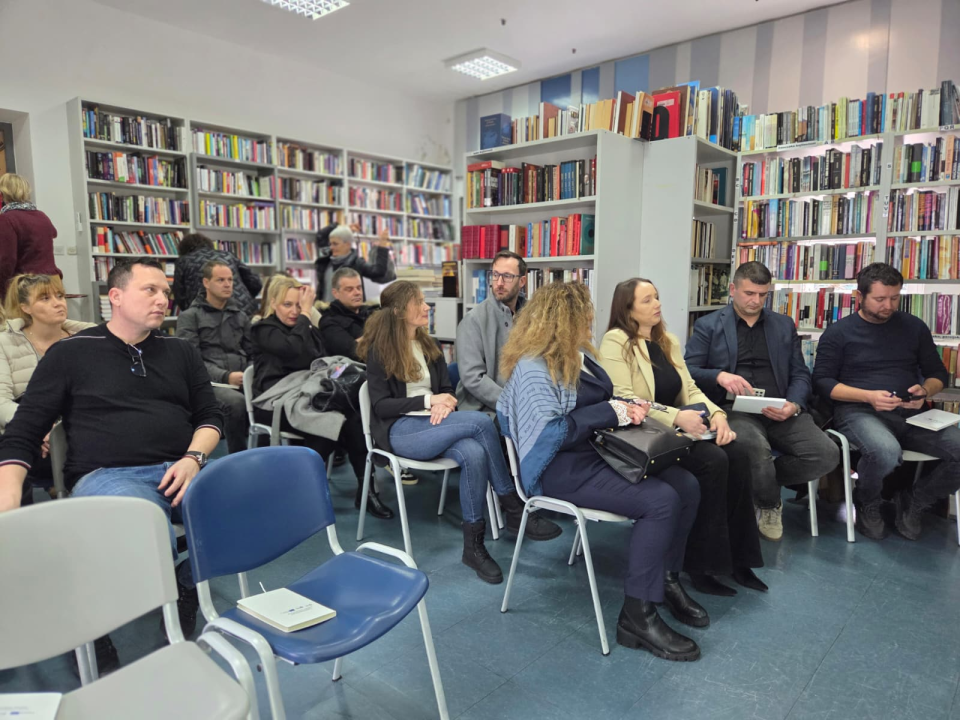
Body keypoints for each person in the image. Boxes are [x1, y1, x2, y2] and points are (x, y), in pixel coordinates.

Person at [0, 258, 225, 671]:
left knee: (237, 507)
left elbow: (210, 416)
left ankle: (186, 583)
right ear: (115, 297)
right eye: (150, 290)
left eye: (165, 291)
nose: (163, 299)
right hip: (109, 475)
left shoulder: (180, 351)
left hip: (181, 467)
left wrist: (193, 458)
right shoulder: (70, 354)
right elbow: (24, 429)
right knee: (138, 527)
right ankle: (90, 627)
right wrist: (9, 495)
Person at [497, 282, 705, 662]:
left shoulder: (579, 355)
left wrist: (630, 406)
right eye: (585, 315)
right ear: (563, 320)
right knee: (659, 501)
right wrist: (613, 412)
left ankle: (666, 581)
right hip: (558, 468)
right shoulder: (532, 368)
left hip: (594, 452)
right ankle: (636, 617)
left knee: (686, 485)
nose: (591, 320)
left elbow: (602, 402)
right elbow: (549, 434)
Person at [358, 280, 561, 584]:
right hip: (400, 431)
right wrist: (429, 400)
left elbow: (445, 388)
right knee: (480, 423)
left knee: (473, 451)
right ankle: (515, 509)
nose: (427, 308)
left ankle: (473, 546)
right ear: (400, 311)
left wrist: (444, 402)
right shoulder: (380, 350)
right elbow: (382, 405)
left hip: (434, 424)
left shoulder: (428, 345)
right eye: (420, 303)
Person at [599, 278, 766, 596]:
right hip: (642, 434)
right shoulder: (616, 341)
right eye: (647, 300)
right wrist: (676, 416)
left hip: (676, 429)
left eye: (657, 297)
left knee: (739, 453)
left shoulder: (667, 341)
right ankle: (701, 565)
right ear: (628, 309)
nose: (657, 304)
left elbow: (689, 388)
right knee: (713, 461)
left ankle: (739, 560)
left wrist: (717, 414)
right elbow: (623, 397)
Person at [684, 261, 840, 542]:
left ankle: (756, 481)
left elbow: (800, 373)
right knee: (755, 449)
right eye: (749, 294)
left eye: (763, 295)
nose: (756, 301)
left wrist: (793, 404)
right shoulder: (709, 325)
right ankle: (768, 504)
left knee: (826, 453)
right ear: (732, 290)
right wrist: (719, 376)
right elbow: (688, 370)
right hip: (734, 408)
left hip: (779, 407)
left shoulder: (783, 325)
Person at [813, 262, 960, 541]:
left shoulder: (914, 327)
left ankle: (915, 500)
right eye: (880, 299)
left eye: (894, 298)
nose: (888, 305)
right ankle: (868, 502)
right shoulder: (838, 333)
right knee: (885, 451)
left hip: (911, 412)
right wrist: (867, 396)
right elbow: (822, 382)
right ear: (860, 297)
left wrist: (925, 391)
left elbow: (937, 374)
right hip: (858, 411)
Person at [250, 274, 394, 520]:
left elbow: (319, 362)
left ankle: (367, 490)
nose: (295, 311)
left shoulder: (305, 329)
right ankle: (302, 491)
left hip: (309, 396)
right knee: (330, 423)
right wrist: (307, 313)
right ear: (273, 303)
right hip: (275, 401)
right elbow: (293, 351)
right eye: (288, 304)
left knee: (355, 417)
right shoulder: (263, 329)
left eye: (298, 305)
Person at [0, 274, 95, 504]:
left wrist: (58, 433)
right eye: (45, 298)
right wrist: (37, 428)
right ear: (25, 307)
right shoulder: (5, 342)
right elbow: (2, 401)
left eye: (60, 296)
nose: (58, 303)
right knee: (14, 454)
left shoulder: (91, 336)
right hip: (27, 426)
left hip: (78, 425)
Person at [176, 260, 252, 455]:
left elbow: (254, 352)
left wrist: (250, 374)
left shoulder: (240, 316)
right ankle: (239, 458)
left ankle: (269, 456)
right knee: (235, 403)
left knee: (271, 396)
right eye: (220, 280)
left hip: (244, 379)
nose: (227, 284)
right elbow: (191, 362)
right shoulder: (190, 316)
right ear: (206, 283)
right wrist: (226, 376)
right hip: (211, 384)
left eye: (230, 280)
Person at [455, 250, 527, 414]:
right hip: (485, 410)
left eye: (507, 276)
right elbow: (473, 378)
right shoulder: (473, 320)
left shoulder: (533, 315)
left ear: (522, 281)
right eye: (495, 275)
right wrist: (512, 405)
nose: (499, 282)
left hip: (524, 403)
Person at [172, 233, 263, 316]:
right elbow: (255, 283)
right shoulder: (227, 255)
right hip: (245, 310)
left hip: (206, 314)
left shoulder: (183, 261)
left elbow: (180, 296)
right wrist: (243, 298)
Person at [0, 173, 61, 295]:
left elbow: (6, 261)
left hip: (27, 284)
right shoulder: (41, 215)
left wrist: (2, 290)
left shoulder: (7, 219)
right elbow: (53, 233)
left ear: (3, 194)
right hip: (52, 280)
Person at [315, 223, 395, 302]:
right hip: (325, 312)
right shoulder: (325, 263)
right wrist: (341, 226)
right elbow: (320, 236)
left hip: (349, 313)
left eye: (335, 244)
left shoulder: (357, 263)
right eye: (330, 244)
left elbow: (378, 271)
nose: (331, 247)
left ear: (347, 244)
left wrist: (382, 247)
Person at [319, 267, 374, 360]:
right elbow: (353, 352)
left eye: (359, 288)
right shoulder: (329, 321)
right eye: (349, 289)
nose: (357, 293)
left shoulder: (372, 311)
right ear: (335, 293)